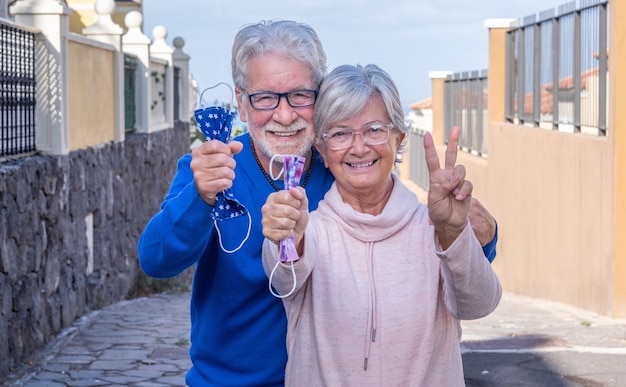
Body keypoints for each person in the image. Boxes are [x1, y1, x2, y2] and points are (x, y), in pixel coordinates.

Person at [138, 20, 498, 386]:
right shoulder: (212, 171)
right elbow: (156, 260)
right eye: (264, 98)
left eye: (300, 95)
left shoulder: (344, 168)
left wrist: (478, 233)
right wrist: (199, 197)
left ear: (320, 97)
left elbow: (451, 273)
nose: (284, 114)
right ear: (241, 104)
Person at [261, 63, 502, 386]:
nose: (359, 147)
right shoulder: (310, 231)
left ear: (398, 138)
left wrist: (453, 233)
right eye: (341, 133)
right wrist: (284, 233)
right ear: (322, 149)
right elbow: (283, 276)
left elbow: (480, 303)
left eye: (374, 129)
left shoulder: (434, 228)